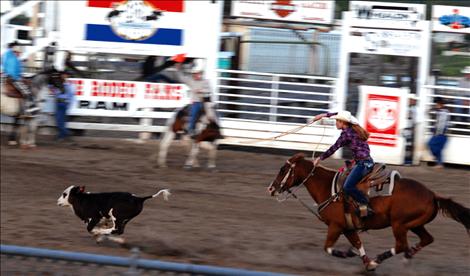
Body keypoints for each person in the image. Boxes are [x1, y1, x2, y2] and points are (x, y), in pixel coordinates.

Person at [311, 110, 374, 217]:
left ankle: (364, 203)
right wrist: (323, 115)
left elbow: (334, 148)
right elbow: (337, 113)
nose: (336, 122)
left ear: (342, 122)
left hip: (363, 164)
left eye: (337, 121)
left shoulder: (346, 134)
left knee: (347, 186)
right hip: (364, 161)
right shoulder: (353, 129)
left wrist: (319, 158)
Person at [173, 59, 214, 137]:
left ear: (200, 74)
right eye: (194, 74)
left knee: (211, 113)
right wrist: (178, 69)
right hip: (195, 101)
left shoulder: (205, 81)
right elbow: (182, 78)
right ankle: (190, 129)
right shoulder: (190, 80)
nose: (195, 75)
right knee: (193, 111)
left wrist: (201, 91)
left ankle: (212, 129)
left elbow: (209, 90)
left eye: (197, 73)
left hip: (204, 102)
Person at [1, 41, 39, 115]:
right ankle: (32, 112)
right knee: (27, 92)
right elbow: (13, 72)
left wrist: (22, 77)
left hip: (10, 77)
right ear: (14, 50)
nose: (20, 54)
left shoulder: (8, 55)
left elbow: (15, 70)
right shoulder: (12, 58)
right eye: (19, 52)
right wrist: (19, 78)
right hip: (12, 78)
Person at [50, 70, 75, 142]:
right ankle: (64, 134)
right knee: (59, 120)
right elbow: (51, 87)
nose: (64, 76)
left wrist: (69, 104)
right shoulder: (59, 83)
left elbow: (71, 95)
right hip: (58, 102)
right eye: (63, 74)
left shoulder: (70, 84)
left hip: (64, 103)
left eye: (66, 75)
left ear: (67, 76)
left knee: (61, 121)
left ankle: (62, 136)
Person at [427, 97, 450, 169]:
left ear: (440, 104)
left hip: (440, 133)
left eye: (437, 104)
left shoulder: (443, 112)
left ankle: (438, 161)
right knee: (437, 148)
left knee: (431, 144)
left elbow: (441, 124)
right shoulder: (442, 111)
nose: (436, 105)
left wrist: (437, 133)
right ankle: (439, 163)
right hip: (441, 133)